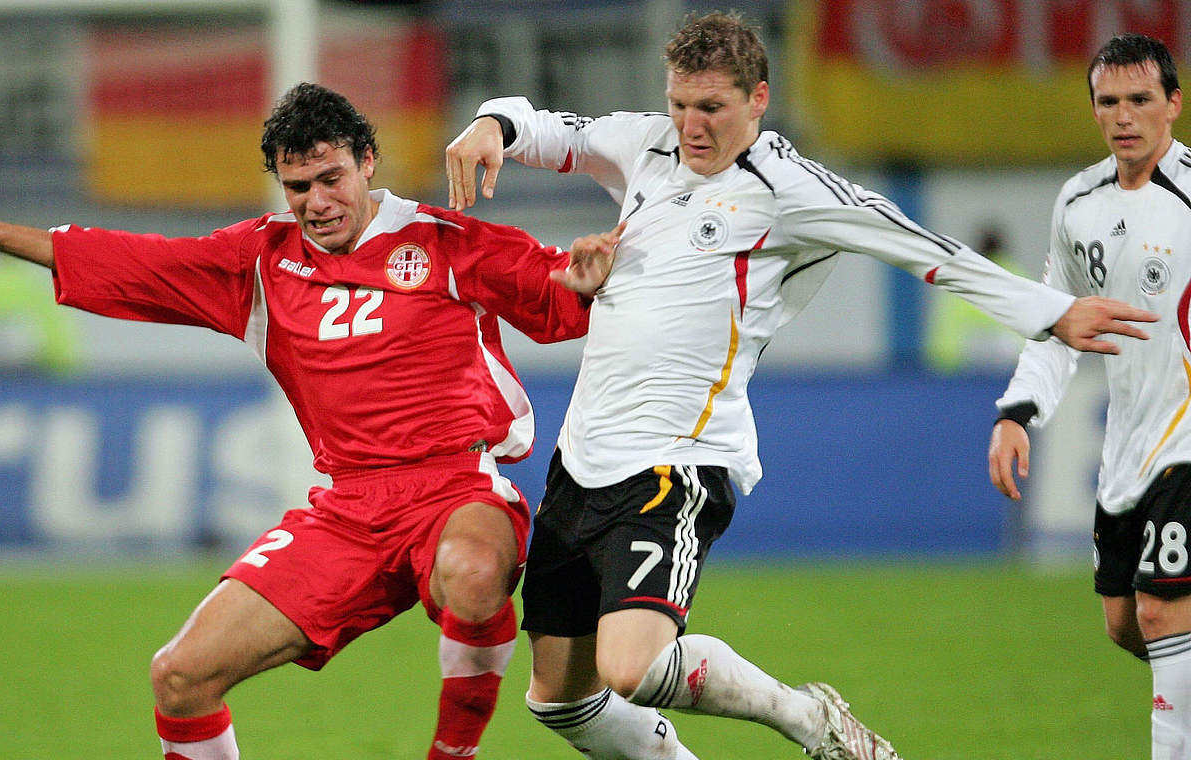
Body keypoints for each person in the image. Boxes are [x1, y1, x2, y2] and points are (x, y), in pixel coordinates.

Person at [446, 11, 1158, 760]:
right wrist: (494, 122)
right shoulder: (648, 144)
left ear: (758, 98)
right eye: (681, 103)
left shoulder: (788, 188)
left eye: (712, 108)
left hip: (676, 461)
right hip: (583, 459)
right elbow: (552, 129)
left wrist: (1053, 312)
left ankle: (804, 717)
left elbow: (927, 251)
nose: (692, 125)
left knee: (630, 665)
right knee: (560, 698)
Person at [0, 82, 618, 760]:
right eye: (299, 187)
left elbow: (558, 294)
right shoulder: (260, 261)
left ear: (368, 164)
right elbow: (136, 263)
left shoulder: (445, 243)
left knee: (470, 571)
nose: (317, 202)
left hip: (455, 488)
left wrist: (590, 280)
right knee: (180, 675)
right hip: (346, 510)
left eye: (332, 178)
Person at [988, 34, 1191, 760]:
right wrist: (1019, 412)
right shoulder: (1077, 202)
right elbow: (1055, 325)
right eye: (1109, 102)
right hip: (1126, 452)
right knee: (1125, 623)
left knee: (1166, 612)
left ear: (1174, 103)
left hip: (1188, 443)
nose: (1124, 115)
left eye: (1141, 99)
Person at [924, 223, 1026, 373]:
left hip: (967, 352)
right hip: (1005, 352)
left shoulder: (960, 272)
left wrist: (944, 358)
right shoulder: (1015, 274)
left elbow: (948, 319)